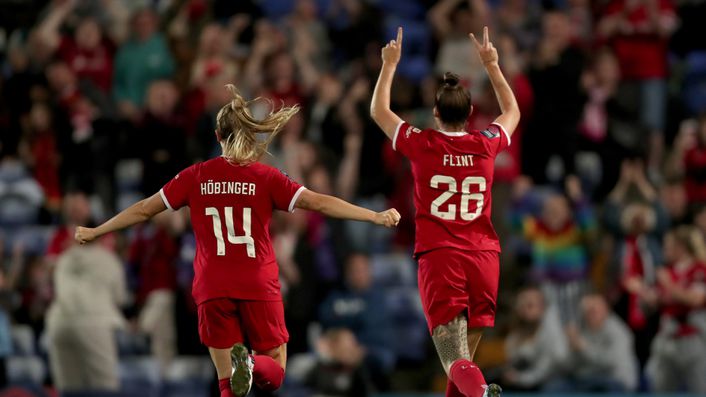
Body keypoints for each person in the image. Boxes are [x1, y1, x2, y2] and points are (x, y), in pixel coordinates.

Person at [75, 84, 401, 397]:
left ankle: (240, 365)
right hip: (257, 281)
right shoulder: (266, 176)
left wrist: (97, 230)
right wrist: (371, 216)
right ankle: (251, 362)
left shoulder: (194, 176)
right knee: (273, 371)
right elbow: (318, 202)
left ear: (217, 136)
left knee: (227, 385)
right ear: (249, 135)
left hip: (212, 284)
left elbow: (145, 210)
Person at [370, 26, 521, 397]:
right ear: (471, 113)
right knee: (465, 362)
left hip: (442, 258)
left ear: (435, 113)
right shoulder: (485, 144)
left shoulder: (422, 144)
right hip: (484, 259)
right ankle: (479, 390)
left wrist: (389, 65)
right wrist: (492, 66)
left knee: (454, 358)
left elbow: (378, 110)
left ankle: (484, 393)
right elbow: (512, 110)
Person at [46, 233, 128, 392]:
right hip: (94, 322)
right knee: (106, 386)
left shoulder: (65, 257)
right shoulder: (109, 259)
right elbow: (120, 298)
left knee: (69, 387)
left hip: (59, 323)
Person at [631, 226, 706, 393]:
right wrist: (643, 293)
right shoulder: (669, 272)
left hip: (695, 338)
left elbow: (696, 299)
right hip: (667, 337)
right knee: (660, 388)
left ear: (681, 247)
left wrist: (669, 285)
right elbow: (654, 305)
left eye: (668, 246)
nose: (664, 250)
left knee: (701, 389)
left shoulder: (700, 269)